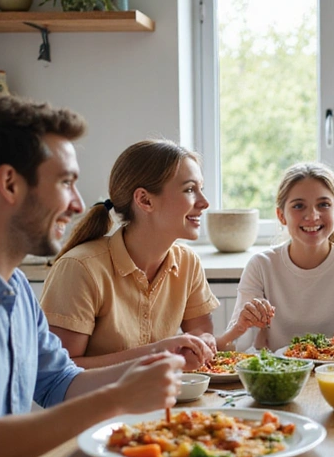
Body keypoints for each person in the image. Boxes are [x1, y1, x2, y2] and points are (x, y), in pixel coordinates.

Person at [0, 96, 187, 457]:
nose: (77, 203)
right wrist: (119, 399)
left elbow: (59, 383)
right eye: (65, 181)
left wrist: (150, 362)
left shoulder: (14, 286)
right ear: (10, 184)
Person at [39, 140, 218, 369]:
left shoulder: (188, 262)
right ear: (145, 200)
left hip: (164, 401)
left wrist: (204, 342)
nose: (204, 202)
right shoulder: (80, 268)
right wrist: (156, 354)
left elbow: (201, 332)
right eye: (190, 189)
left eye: (200, 189)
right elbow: (60, 373)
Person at [216, 162, 334, 351]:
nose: (312, 215)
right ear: (281, 215)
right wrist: (240, 326)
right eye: (299, 206)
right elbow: (234, 347)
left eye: (323, 205)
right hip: (279, 375)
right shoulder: (261, 265)